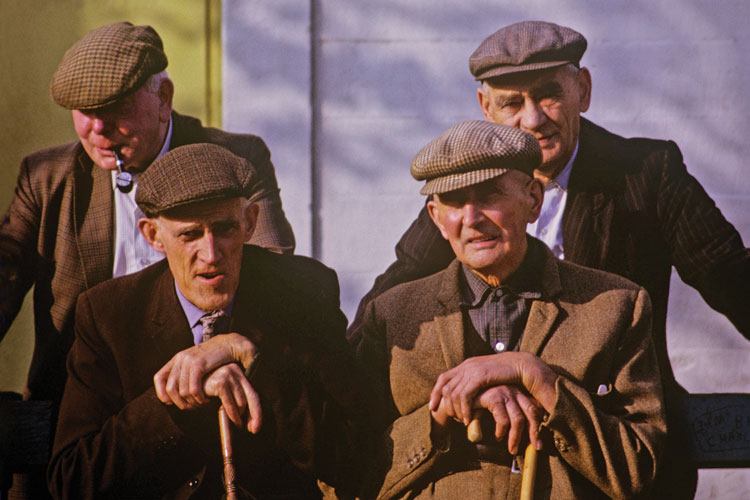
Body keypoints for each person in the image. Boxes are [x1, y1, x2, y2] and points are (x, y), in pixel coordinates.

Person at [349, 20, 750, 497]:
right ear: (485, 107)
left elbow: (731, 276)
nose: (533, 119)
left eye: (548, 95)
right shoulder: (463, 200)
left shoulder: (646, 173)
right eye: (512, 103)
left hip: (611, 456)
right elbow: (389, 316)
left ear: (582, 89)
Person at [350, 120, 666, 499]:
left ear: (533, 199)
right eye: (453, 201)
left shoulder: (615, 306)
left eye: (490, 194)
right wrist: (440, 415)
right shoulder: (393, 317)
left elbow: (639, 469)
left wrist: (538, 378)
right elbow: (351, 475)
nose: (471, 218)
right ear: (435, 217)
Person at [0, 21, 294, 404]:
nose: (99, 129)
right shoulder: (44, 177)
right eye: (85, 112)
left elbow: (275, 273)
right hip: (82, 403)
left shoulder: (235, 160)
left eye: (117, 107)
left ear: (164, 98)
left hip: (206, 392)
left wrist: (228, 346)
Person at [48, 143, 364, 499]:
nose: (211, 255)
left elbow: (352, 455)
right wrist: (174, 398)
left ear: (250, 222)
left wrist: (250, 357)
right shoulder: (109, 312)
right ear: (153, 236)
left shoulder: (304, 291)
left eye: (225, 228)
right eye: (190, 235)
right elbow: (71, 481)